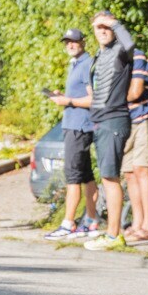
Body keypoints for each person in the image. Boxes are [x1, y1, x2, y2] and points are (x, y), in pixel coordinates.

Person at [81, 11, 136, 252]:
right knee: (107, 177)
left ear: (113, 28)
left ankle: (114, 235)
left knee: (110, 179)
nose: (102, 31)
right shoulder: (99, 55)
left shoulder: (120, 51)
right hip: (102, 122)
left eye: (106, 27)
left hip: (114, 121)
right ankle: (111, 233)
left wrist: (114, 23)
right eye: (98, 27)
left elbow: (130, 43)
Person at [46, 29, 100, 240]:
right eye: (67, 42)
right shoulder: (76, 64)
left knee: (73, 175)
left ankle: (68, 224)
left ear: (83, 42)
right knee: (86, 176)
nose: (70, 45)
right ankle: (91, 221)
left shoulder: (87, 64)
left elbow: (93, 99)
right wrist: (64, 96)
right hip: (75, 125)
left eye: (74, 41)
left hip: (80, 127)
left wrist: (67, 101)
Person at [122, 38, 148, 242]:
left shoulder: (136, 54)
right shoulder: (110, 59)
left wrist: (112, 98)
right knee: (129, 172)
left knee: (141, 168)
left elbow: (136, 91)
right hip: (127, 119)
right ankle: (137, 223)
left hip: (147, 115)